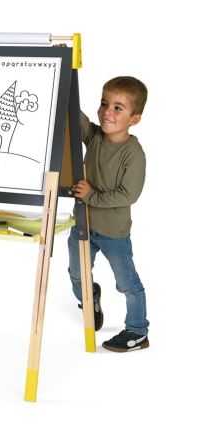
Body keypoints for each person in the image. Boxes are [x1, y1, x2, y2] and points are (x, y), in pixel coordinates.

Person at [68, 76, 150, 352]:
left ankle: (137, 331)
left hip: (114, 233)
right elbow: (73, 115)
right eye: (104, 104)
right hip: (83, 224)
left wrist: (91, 196)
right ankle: (90, 296)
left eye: (117, 108)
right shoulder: (94, 137)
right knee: (77, 274)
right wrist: (64, 76)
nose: (107, 112)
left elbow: (128, 195)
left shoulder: (133, 154)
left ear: (134, 119)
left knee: (127, 283)